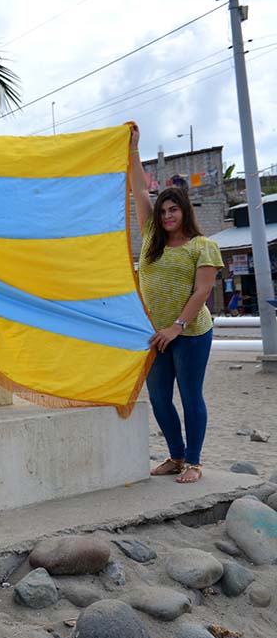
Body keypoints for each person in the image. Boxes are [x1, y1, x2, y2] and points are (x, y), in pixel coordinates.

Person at [130, 124, 223, 483]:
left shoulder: (203, 246)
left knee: (189, 396)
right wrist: (134, 149)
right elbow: (140, 188)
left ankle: (195, 462)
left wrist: (176, 327)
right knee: (158, 399)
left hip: (190, 333)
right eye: (163, 211)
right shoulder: (152, 237)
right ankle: (176, 456)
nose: (167, 216)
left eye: (173, 210)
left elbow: (201, 293)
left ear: (184, 211)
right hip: (156, 335)